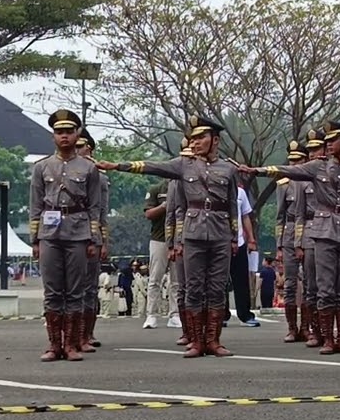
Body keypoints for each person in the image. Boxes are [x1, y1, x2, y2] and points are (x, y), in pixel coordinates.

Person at [98, 114, 239, 358]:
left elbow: (232, 205)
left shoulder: (228, 168)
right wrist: (118, 166)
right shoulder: (183, 165)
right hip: (193, 234)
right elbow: (152, 166)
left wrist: (234, 236)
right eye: (192, 138)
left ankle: (213, 341)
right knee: (193, 288)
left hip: (220, 234)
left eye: (200, 137)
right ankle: (196, 341)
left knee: (216, 288)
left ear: (215, 140)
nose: (195, 142)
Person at [242, 120, 340, 355]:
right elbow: (288, 170)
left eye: (333, 140)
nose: (328, 145)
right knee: (324, 287)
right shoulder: (316, 167)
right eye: (326, 141)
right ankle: (327, 339)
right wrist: (257, 170)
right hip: (322, 233)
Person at [29, 109, 104, 362]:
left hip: (78, 232)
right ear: (53, 136)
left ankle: (71, 345)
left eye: (69, 132)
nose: (64, 137)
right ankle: (54, 345)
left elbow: (95, 207)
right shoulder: (41, 167)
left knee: (75, 291)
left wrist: (95, 239)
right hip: (49, 234)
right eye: (59, 132)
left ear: (77, 134)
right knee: (52, 291)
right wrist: (35, 240)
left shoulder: (89, 168)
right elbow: (35, 205)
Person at [291, 128, 329, 347]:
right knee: (312, 285)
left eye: (318, 148)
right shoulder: (303, 181)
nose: (314, 153)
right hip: (311, 234)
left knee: (332, 286)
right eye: (311, 149)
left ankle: (331, 332)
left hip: (335, 232)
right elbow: (298, 215)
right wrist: (298, 242)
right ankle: (314, 330)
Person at [75, 130, 111, 352]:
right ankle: (69, 334)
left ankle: (86, 333)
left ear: (89, 149)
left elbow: (102, 212)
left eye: (81, 147)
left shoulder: (100, 177)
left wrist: (103, 241)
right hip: (66, 236)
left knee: (89, 288)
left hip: (91, 235)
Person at [274, 140, 308, 342]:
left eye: (299, 160)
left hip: (309, 234)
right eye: (292, 160)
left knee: (311, 284)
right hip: (289, 233)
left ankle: (306, 327)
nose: (294, 164)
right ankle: (292, 328)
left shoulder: (311, 181)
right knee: (290, 283)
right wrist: (279, 245)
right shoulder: (283, 185)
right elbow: (280, 216)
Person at [164, 136, 196, 347]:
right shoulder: (176, 180)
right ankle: (188, 332)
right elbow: (172, 213)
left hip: (205, 235)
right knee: (184, 287)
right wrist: (172, 243)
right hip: (183, 237)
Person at [226, 181, 260, 327]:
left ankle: (245, 315)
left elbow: (245, 216)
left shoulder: (240, 192)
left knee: (241, 281)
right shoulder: (212, 189)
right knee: (218, 282)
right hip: (218, 243)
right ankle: (221, 315)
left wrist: (251, 239)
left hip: (239, 242)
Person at [141, 181, 170, 328]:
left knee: (178, 281)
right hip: (159, 239)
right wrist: (165, 205)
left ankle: (176, 314)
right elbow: (148, 213)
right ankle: (151, 314)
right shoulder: (157, 189)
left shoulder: (186, 186)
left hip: (179, 239)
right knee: (155, 278)